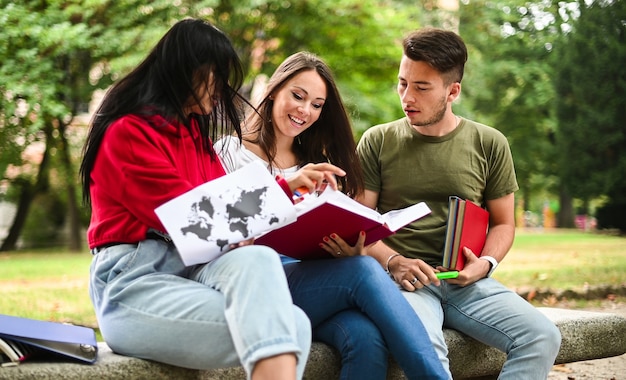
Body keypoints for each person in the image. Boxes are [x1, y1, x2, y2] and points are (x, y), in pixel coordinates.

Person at [79, 19, 314, 380]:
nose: (221, 89)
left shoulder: (193, 134)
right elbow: (199, 220)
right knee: (288, 327)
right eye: (215, 76)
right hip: (136, 284)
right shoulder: (128, 133)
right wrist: (283, 189)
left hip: (193, 272)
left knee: (282, 301)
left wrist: (281, 201)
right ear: (187, 70)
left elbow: (227, 215)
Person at [215, 51, 448, 380]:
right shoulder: (230, 150)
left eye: (316, 104)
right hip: (260, 283)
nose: (304, 110)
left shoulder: (315, 162)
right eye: (297, 96)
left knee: (366, 339)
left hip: (313, 282)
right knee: (365, 270)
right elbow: (219, 227)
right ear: (274, 90)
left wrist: (346, 248)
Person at [355, 27, 562, 379]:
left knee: (542, 336)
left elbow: (503, 223)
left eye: (421, 87)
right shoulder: (378, 140)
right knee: (427, 350)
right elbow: (359, 224)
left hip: (468, 282)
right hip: (405, 283)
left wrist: (486, 263)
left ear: (453, 91)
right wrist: (395, 262)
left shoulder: (489, 142)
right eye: (403, 83)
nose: (407, 97)